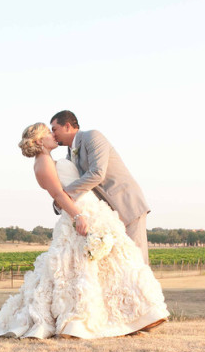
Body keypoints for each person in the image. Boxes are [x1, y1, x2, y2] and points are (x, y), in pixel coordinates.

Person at [0, 123, 168, 339]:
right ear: (40, 141)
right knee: (83, 267)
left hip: (91, 207)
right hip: (80, 211)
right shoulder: (42, 164)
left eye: (54, 130)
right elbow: (59, 195)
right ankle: (87, 320)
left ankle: (139, 313)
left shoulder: (52, 160)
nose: (53, 135)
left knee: (116, 261)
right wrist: (78, 216)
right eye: (49, 132)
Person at [50, 110, 151, 264]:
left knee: (136, 261)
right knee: (119, 264)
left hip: (126, 205)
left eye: (54, 129)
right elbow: (72, 180)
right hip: (107, 215)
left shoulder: (92, 136)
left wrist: (64, 195)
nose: (53, 134)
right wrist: (60, 202)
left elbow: (97, 173)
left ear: (68, 126)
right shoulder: (69, 155)